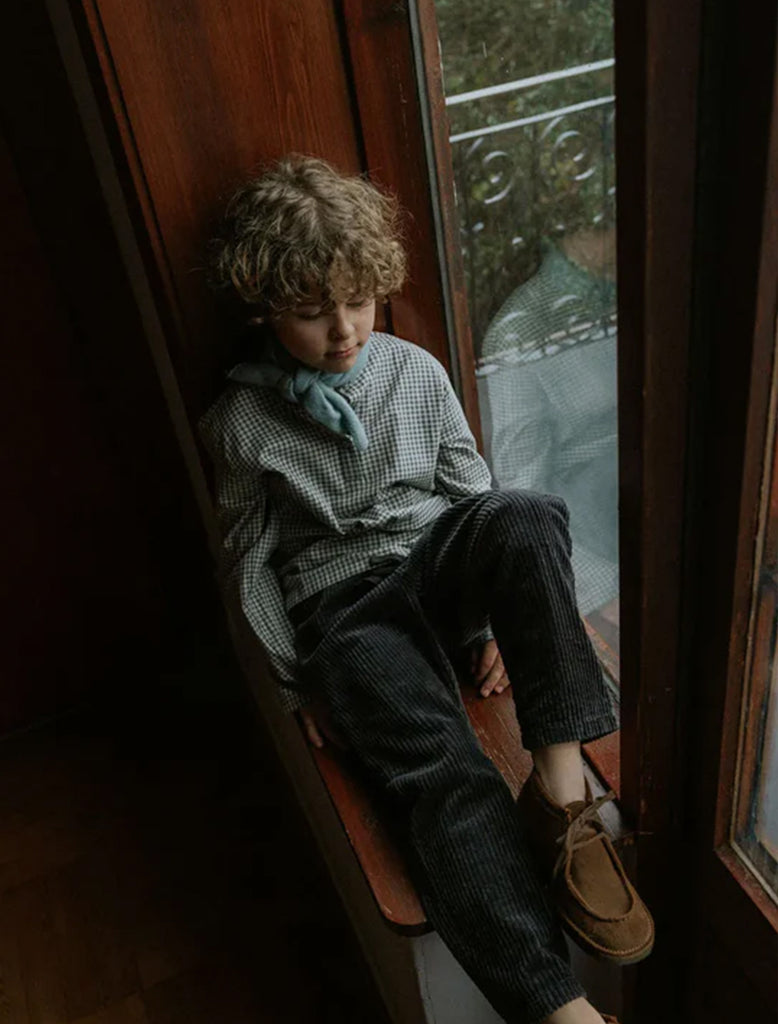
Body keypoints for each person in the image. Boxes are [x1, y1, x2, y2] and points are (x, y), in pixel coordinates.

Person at [199, 155, 653, 1024]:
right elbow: (249, 560)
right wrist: (300, 680)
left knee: (524, 512)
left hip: (438, 565)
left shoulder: (412, 370)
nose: (344, 331)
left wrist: (489, 616)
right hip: (346, 614)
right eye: (311, 312)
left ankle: (563, 796)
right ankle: (561, 1012)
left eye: (358, 301)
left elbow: (470, 490)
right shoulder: (240, 423)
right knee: (443, 776)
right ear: (263, 309)